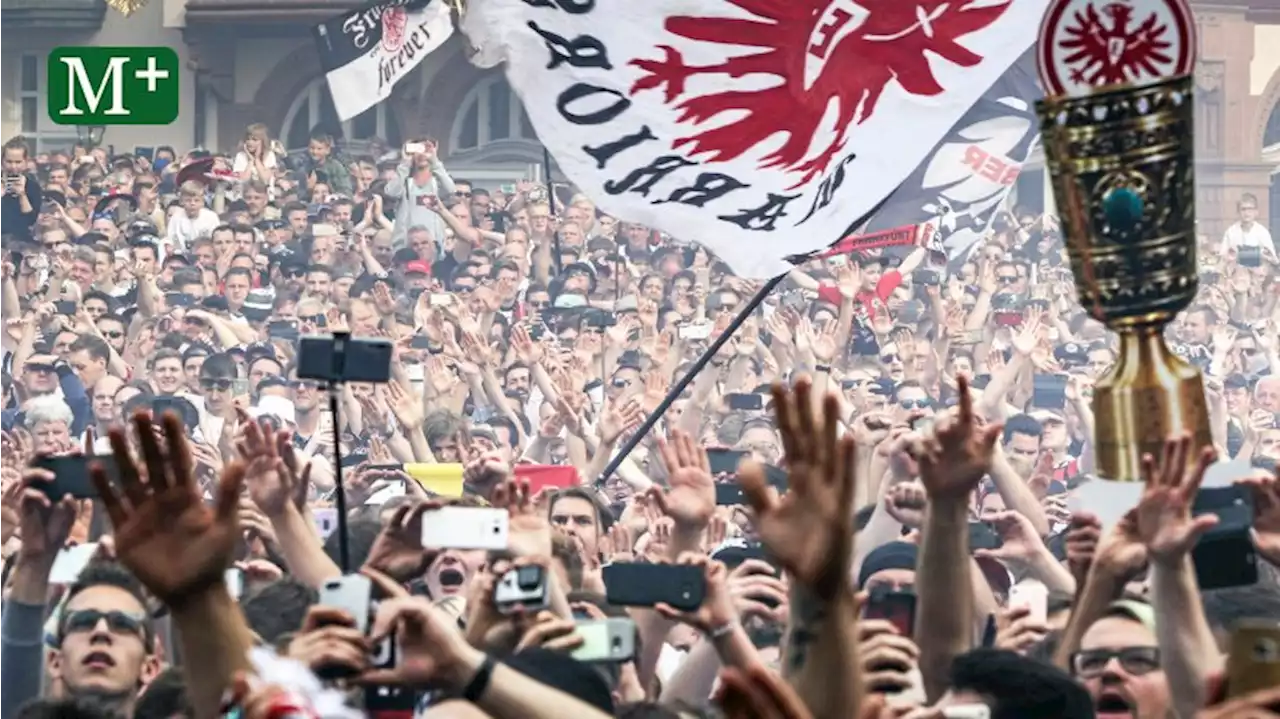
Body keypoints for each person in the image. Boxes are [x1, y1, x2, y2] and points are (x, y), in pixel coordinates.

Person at [0, 136, 41, 242]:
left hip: (21, 242)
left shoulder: (33, 187)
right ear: (2, 161)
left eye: (18, 162)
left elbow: (31, 220)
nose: (13, 166)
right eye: (9, 161)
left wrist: (22, 195)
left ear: (26, 162)